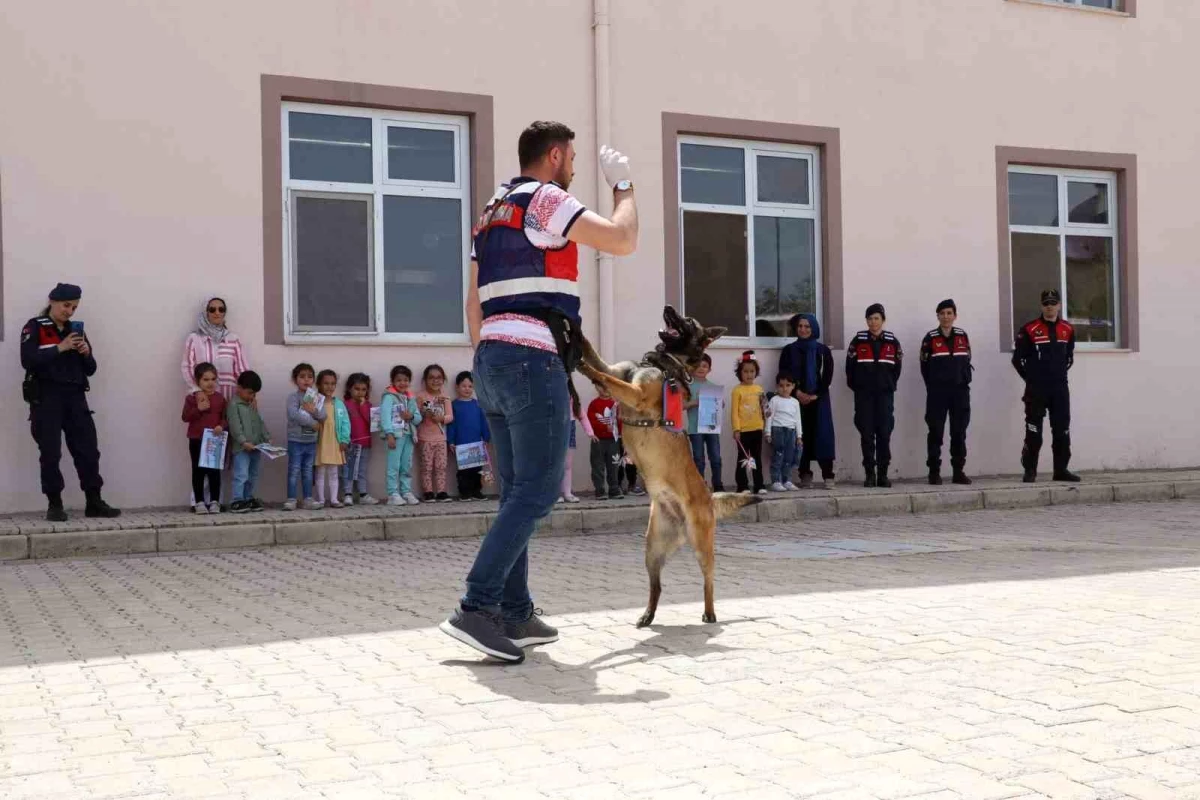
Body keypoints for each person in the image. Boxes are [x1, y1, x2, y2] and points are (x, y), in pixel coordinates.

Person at [441, 121, 638, 664]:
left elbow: (472, 301)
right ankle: (476, 608)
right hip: (532, 359)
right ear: (554, 156)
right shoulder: (548, 200)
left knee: (516, 492)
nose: (574, 168)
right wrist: (624, 188)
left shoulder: (492, 208)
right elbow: (623, 240)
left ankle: (515, 611)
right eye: (571, 158)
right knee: (539, 491)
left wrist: (487, 355)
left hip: (492, 359)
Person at [20, 283, 121, 521]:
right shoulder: (34, 326)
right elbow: (28, 360)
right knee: (50, 452)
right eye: (66, 306)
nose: (70, 311)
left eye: (74, 307)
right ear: (52, 301)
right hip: (47, 397)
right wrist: (60, 347)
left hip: (76, 397)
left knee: (87, 450)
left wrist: (86, 353)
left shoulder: (76, 331)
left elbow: (91, 369)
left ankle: (94, 501)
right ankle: (54, 504)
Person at [1012, 289, 1079, 483]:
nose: (1050, 306)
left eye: (1053, 303)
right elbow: (1017, 360)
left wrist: (1057, 376)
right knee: (1034, 431)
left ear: (1059, 305)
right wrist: (1032, 380)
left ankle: (1061, 470)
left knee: (1062, 430)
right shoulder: (1029, 329)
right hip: (1036, 390)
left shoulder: (1068, 329)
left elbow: (1069, 358)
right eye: (1046, 303)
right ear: (1041, 306)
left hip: (1059, 389)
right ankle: (1030, 471)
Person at [846, 304, 903, 488]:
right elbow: (850, 368)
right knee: (867, 435)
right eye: (870, 318)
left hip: (885, 396)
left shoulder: (892, 341)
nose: (873, 322)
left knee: (884, 434)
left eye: (877, 318)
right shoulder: (858, 340)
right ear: (866, 321)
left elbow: (897, 369)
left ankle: (883, 474)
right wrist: (859, 387)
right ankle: (870, 474)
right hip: (864, 396)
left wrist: (888, 385)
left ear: (883, 320)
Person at [779, 313, 836, 489]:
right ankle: (805, 474)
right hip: (795, 400)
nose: (803, 329)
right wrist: (797, 392)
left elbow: (827, 376)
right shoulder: (789, 350)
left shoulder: (823, 351)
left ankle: (828, 475)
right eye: (800, 326)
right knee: (800, 436)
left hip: (819, 400)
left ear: (814, 329)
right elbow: (783, 374)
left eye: (807, 326)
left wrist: (815, 395)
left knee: (823, 435)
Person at [920, 299, 973, 485]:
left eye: (949, 313)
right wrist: (934, 385)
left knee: (959, 432)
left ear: (955, 315)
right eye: (942, 313)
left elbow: (967, 360)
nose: (946, 317)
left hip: (960, 392)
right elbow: (924, 366)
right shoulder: (930, 338)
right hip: (937, 393)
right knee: (935, 432)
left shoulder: (962, 336)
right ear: (937, 316)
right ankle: (934, 472)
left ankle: (958, 471)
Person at [181, 297, 249, 400]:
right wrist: (196, 390)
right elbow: (187, 367)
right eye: (212, 309)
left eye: (221, 309)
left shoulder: (233, 339)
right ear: (206, 313)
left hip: (229, 400)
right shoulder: (195, 339)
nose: (217, 313)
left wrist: (249, 393)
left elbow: (242, 370)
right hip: (205, 400)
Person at [181, 362, 227, 514]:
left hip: (214, 441)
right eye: (206, 380)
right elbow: (185, 417)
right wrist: (198, 409)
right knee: (198, 471)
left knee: (214, 471)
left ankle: (215, 501)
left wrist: (221, 426)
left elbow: (225, 417)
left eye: (213, 379)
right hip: (196, 439)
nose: (210, 383)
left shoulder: (220, 398)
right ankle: (199, 502)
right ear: (197, 381)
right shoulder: (192, 398)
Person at [284, 362, 326, 511]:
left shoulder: (316, 397)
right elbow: (293, 414)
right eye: (302, 377)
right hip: (296, 440)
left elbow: (323, 415)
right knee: (294, 470)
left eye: (309, 377)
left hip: (311, 441)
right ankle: (291, 499)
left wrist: (314, 411)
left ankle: (308, 498)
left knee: (308, 470)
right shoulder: (293, 397)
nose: (306, 380)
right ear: (295, 380)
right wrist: (312, 423)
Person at [227, 370, 269, 513]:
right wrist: (244, 442)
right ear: (239, 388)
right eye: (250, 393)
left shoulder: (251, 404)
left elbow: (259, 421)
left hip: (256, 447)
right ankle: (237, 500)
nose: (252, 396)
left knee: (253, 474)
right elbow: (235, 427)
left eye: (254, 394)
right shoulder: (234, 405)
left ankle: (248, 497)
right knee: (241, 474)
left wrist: (266, 437)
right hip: (242, 449)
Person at [380, 365, 422, 506]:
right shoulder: (389, 397)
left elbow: (418, 418)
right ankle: (393, 493)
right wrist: (389, 434)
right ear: (392, 381)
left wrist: (410, 416)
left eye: (405, 380)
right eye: (399, 380)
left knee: (406, 465)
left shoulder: (410, 398)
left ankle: (406, 491)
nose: (402, 383)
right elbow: (384, 416)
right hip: (395, 437)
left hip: (409, 436)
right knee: (394, 465)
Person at [684, 353, 724, 491]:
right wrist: (695, 402)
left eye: (705, 366)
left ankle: (718, 484)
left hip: (711, 428)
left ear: (709, 369)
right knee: (699, 459)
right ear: (691, 368)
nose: (701, 368)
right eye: (698, 366)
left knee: (716, 458)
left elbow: (719, 407)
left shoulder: (712, 386)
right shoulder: (688, 386)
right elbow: (682, 406)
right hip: (695, 429)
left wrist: (720, 403)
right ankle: (700, 485)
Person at [448, 371, 490, 501]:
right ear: (457, 387)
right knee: (464, 470)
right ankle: (464, 492)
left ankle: (477, 491)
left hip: (477, 442)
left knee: (477, 468)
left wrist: (486, 437)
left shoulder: (478, 404)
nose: (467, 389)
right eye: (464, 386)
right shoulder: (454, 405)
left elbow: (483, 422)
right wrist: (451, 441)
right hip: (461, 444)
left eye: (470, 386)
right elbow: (452, 425)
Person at [416, 364, 454, 503]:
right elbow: (416, 417)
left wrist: (441, 418)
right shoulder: (420, 396)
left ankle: (442, 492)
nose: (435, 381)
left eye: (439, 378)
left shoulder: (445, 397)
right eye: (431, 378)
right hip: (425, 438)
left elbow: (450, 416)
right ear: (425, 380)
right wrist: (423, 413)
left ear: (443, 380)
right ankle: (428, 492)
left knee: (441, 466)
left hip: (441, 438)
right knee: (426, 466)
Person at [731, 350, 767, 495]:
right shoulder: (737, 390)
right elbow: (734, 412)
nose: (749, 374)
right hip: (743, 431)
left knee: (756, 458)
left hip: (757, 428)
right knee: (743, 458)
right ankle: (742, 486)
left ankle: (759, 485)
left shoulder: (759, 389)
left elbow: (764, 407)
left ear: (756, 372)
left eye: (752, 371)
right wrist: (736, 429)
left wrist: (766, 420)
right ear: (740, 373)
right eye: (745, 371)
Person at [340, 373, 378, 506]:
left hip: (365, 442)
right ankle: (348, 494)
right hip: (351, 443)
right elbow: (342, 424)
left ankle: (363, 494)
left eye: (363, 389)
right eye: (357, 389)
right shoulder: (345, 405)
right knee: (349, 469)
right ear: (349, 389)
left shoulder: (368, 405)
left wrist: (363, 406)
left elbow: (372, 423)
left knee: (361, 470)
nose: (360, 392)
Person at [313, 369, 348, 508]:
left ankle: (334, 499)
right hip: (320, 440)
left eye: (333, 384)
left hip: (334, 440)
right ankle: (321, 499)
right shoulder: (315, 400)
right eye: (326, 383)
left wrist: (344, 439)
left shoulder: (339, 403)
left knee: (334, 471)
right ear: (319, 385)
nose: (330, 387)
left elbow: (345, 422)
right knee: (320, 471)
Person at [766, 372, 802, 492]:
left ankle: (787, 480)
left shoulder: (795, 402)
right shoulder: (774, 400)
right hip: (778, 430)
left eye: (788, 385)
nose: (784, 388)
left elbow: (797, 420)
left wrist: (799, 436)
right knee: (778, 455)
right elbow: (769, 417)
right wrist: (768, 433)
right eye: (781, 385)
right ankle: (776, 481)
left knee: (789, 457)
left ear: (793, 386)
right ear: (777, 386)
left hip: (791, 431)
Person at [588, 381, 622, 500]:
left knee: (614, 465)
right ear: (597, 388)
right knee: (598, 465)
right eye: (600, 386)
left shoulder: (616, 404)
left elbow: (621, 421)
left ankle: (614, 489)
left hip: (613, 440)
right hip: (598, 440)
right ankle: (600, 490)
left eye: (607, 386)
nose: (604, 389)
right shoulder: (594, 404)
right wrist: (603, 428)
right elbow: (591, 421)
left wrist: (621, 434)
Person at [558, 395, 594, 504]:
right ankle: (555, 494)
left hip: (570, 426)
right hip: (554, 427)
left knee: (567, 464)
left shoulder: (572, 396)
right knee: (555, 465)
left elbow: (581, 414)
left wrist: (590, 432)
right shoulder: (550, 389)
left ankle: (567, 493)